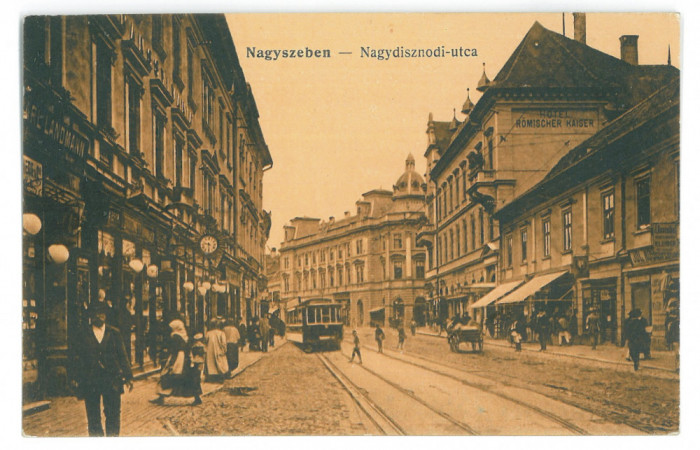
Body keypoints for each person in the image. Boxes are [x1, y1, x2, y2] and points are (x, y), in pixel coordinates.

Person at [72, 301, 133, 436]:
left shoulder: (114, 333)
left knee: (113, 414)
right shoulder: (83, 333)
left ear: (106, 315)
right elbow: (78, 357)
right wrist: (75, 377)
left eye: (101, 313)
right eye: (96, 314)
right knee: (93, 416)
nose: (99, 316)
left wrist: (128, 376)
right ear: (91, 316)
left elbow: (122, 355)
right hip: (91, 379)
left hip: (112, 379)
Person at [150, 318, 202, 406]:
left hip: (177, 359)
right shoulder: (184, 335)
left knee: (166, 375)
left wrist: (171, 361)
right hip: (185, 359)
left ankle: (161, 397)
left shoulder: (175, 336)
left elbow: (174, 349)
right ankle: (197, 397)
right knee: (188, 379)